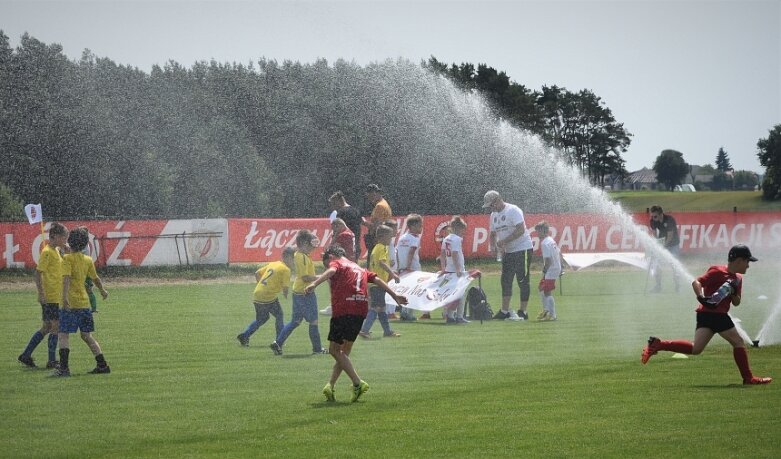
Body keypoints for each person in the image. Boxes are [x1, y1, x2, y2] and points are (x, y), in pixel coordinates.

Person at [641, 244, 771, 385]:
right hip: (716, 315)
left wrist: (733, 292)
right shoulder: (717, 271)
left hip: (706, 315)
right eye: (747, 262)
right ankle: (748, 378)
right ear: (739, 260)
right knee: (738, 342)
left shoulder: (738, 279)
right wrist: (700, 296)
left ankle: (658, 344)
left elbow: (737, 302)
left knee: (696, 348)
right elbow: (697, 282)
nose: (748, 266)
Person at [306, 245, 408, 403]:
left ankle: (357, 382)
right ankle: (330, 385)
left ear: (332, 256)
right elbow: (377, 280)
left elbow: (332, 271)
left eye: (327, 262)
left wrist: (315, 283)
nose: (328, 266)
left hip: (343, 308)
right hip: (360, 310)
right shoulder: (359, 268)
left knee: (334, 349)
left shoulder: (337, 263)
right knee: (343, 353)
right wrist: (395, 296)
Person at [55, 227, 110, 377]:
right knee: (86, 335)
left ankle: (64, 369)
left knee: (63, 334)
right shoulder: (87, 260)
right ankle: (102, 365)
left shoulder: (67, 259)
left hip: (71, 304)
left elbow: (66, 278)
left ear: (69, 241)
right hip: (85, 304)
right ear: (85, 244)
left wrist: (65, 297)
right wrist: (103, 291)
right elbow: (95, 278)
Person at [18, 222, 69, 369]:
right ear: (57, 237)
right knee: (55, 327)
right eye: (65, 237)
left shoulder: (56, 250)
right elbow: (38, 273)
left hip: (54, 295)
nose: (66, 239)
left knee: (47, 327)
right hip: (50, 296)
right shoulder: (47, 252)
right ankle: (52, 360)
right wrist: (41, 294)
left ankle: (26, 355)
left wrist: (65, 250)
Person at [270, 230, 328, 355]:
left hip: (298, 292)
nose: (313, 248)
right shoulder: (301, 257)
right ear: (303, 243)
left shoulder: (302, 256)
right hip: (305, 293)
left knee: (295, 321)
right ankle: (317, 349)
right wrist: (323, 276)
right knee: (313, 321)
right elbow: (306, 277)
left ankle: (278, 343)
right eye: (310, 245)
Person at [484, 190, 532, 321]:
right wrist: (493, 247)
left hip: (523, 248)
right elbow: (493, 234)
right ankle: (504, 310)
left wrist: (505, 241)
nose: (491, 208)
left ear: (498, 200)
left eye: (492, 205)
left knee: (522, 280)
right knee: (505, 280)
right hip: (508, 251)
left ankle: (523, 311)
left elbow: (521, 230)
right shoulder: (493, 215)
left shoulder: (513, 210)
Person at [237, 247, 295, 347]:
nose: (294, 262)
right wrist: (286, 296)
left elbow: (257, 273)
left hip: (257, 294)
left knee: (262, 319)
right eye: (293, 259)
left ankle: (244, 335)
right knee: (279, 315)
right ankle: (279, 341)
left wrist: (262, 287)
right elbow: (285, 289)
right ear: (288, 257)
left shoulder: (274, 263)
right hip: (268, 297)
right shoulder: (286, 270)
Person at [358, 225, 401, 338]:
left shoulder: (376, 247)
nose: (390, 239)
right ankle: (364, 330)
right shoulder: (382, 247)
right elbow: (382, 263)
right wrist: (392, 273)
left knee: (381, 308)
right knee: (376, 307)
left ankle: (387, 331)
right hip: (378, 283)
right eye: (389, 237)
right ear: (382, 237)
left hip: (375, 283)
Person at [319, 219, 355, 316]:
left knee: (334, 284)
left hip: (342, 264)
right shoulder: (350, 233)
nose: (334, 231)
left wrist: (334, 237)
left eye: (334, 228)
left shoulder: (343, 235)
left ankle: (335, 306)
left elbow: (331, 248)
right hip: (348, 262)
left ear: (339, 225)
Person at [439, 216, 469, 324]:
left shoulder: (446, 238)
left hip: (448, 269)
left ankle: (450, 316)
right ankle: (459, 317)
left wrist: (443, 268)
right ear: (459, 228)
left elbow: (442, 254)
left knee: (451, 294)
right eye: (463, 230)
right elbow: (455, 254)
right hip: (456, 270)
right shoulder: (456, 239)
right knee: (460, 294)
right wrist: (458, 269)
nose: (464, 232)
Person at [395, 214, 423, 321]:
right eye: (420, 226)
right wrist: (409, 266)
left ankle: (403, 312)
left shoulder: (402, 237)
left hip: (402, 268)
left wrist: (399, 267)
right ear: (412, 226)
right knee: (414, 291)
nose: (421, 228)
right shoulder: (415, 238)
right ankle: (409, 314)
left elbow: (397, 252)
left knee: (405, 291)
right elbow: (411, 252)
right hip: (412, 268)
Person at [648, 205, 680, 292]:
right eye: (652, 216)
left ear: (661, 214)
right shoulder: (653, 221)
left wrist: (663, 246)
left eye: (655, 216)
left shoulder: (669, 220)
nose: (653, 218)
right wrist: (656, 245)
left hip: (673, 244)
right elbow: (654, 234)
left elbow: (670, 236)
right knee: (657, 265)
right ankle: (658, 286)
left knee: (674, 265)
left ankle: (678, 286)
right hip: (662, 243)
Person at [534, 221, 561, 321]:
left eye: (538, 231)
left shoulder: (545, 243)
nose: (537, 233)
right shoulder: (550, 240)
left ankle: (552, 315)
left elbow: (548, 260)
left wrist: (544, 272)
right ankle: (546, 311)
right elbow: (559, 252)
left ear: (543, 231)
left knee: (546, 291)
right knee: (541, 287)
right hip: (555, 267)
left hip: (551, 269)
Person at [361, 184, 392, 269]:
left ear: (377, 193)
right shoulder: (383, 203)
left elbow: (376, 227)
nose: (370, 199)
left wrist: (363, 222)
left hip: (377, 239)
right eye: (369, 196)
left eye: (371, 195)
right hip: (382, 238)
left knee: (373, 265)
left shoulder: (379, 206)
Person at [329, 191, 362, 258]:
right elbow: (359, 227)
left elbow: (337, 230)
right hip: (355, 244)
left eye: (334, 204)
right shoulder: (355, 210)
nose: (333, 207)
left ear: (339, 201)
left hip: (344, 245)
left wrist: (331, 244)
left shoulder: (341, 212)